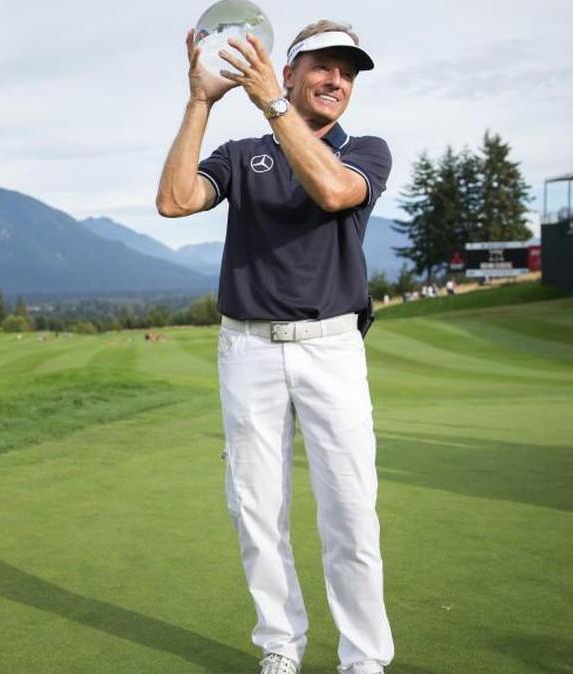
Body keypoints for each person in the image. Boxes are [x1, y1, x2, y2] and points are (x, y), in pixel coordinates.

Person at [156, 19, 393, 674]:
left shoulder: (365, 151)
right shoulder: (240, 155)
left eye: (348, 71)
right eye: (323, 65)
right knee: (257, 512)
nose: (337, 80)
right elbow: (174, 202)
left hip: (332, 348)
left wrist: (274, 106)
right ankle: (280, 647)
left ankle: (364, 660)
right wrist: (200, 101)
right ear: (289, 71)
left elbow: (334, 190)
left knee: (349, 511)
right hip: (248, 350)